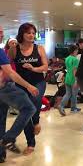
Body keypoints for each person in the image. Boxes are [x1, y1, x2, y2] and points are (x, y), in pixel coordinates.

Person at [9, 23, 48, 155]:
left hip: (38, 82)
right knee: (25, 111)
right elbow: (6, 66)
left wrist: (33, 68)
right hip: (21, 84)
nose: (31, 35)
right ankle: (31, 143)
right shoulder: (15, 50)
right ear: (22, 34)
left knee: (35, 101)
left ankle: (36, 121)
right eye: (28, 33)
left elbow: (45, 67)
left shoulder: (39, 48)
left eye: (33, 33)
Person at [0, 26, 38, 163]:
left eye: (2, 33)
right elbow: (10, 72)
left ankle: (0, 154)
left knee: (1, 119)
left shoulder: (38, 49)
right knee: (29, 108)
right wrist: (28, 86)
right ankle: (9, 138)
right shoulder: (3, 52)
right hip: (6, 87)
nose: (1, 35)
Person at [58, 45, 81, 116]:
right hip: (73, 78)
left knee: (68, 93)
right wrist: (76, 80)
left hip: (67, 77)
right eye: (77, 50)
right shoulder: (75, 59)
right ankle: (72, 108)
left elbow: (68, 68)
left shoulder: (67, 58)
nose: (77, 51)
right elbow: (75, 70)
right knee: (74, 94)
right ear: (74, 51)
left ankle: (68, 107)